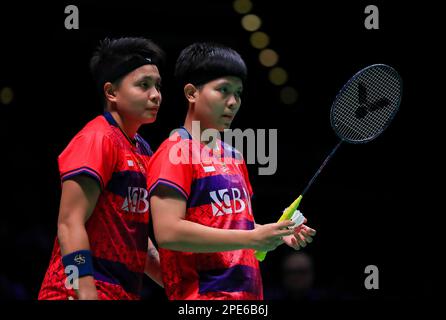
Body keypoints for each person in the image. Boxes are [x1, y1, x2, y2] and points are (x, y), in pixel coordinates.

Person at [147, 42, 316, 300]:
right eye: (223, 90)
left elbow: (235, 229)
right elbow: (168, 232)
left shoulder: (234, 157)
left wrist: (274, 234)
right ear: (192, 93)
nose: (233, 102)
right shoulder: (174, 152)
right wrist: (252, 237)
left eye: (238, 93)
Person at [38, 37, 165, 300]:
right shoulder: (97, 139)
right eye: (143, 85)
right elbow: (69, 222)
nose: (156, 95)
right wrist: (84, 291)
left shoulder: (143, 150)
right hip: (74, 292)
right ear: (111, 92)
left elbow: (138, 238)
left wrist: (184, 286)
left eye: (157, 86)